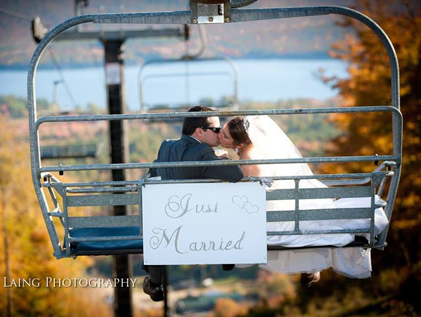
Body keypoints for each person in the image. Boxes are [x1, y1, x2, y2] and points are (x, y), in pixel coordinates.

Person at [218, 115, 389, 285]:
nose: (219, 135)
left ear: (239, 144)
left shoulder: (250, 158)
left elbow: (249, 193)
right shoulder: (254, 151)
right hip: (278, 209)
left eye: (224, 135)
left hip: (271, 217)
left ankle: (228, 253)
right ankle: (310, 267)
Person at [143, 106, 244, 301]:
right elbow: (237, 175)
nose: (219, 134)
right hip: (200, 229)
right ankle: (228, 254)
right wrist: (220, 160)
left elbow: (152, 173)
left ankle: (155, 283)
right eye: (216, 130)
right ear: (199, 131)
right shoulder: (203, 153)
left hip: (165, 230)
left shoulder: (166, 147)